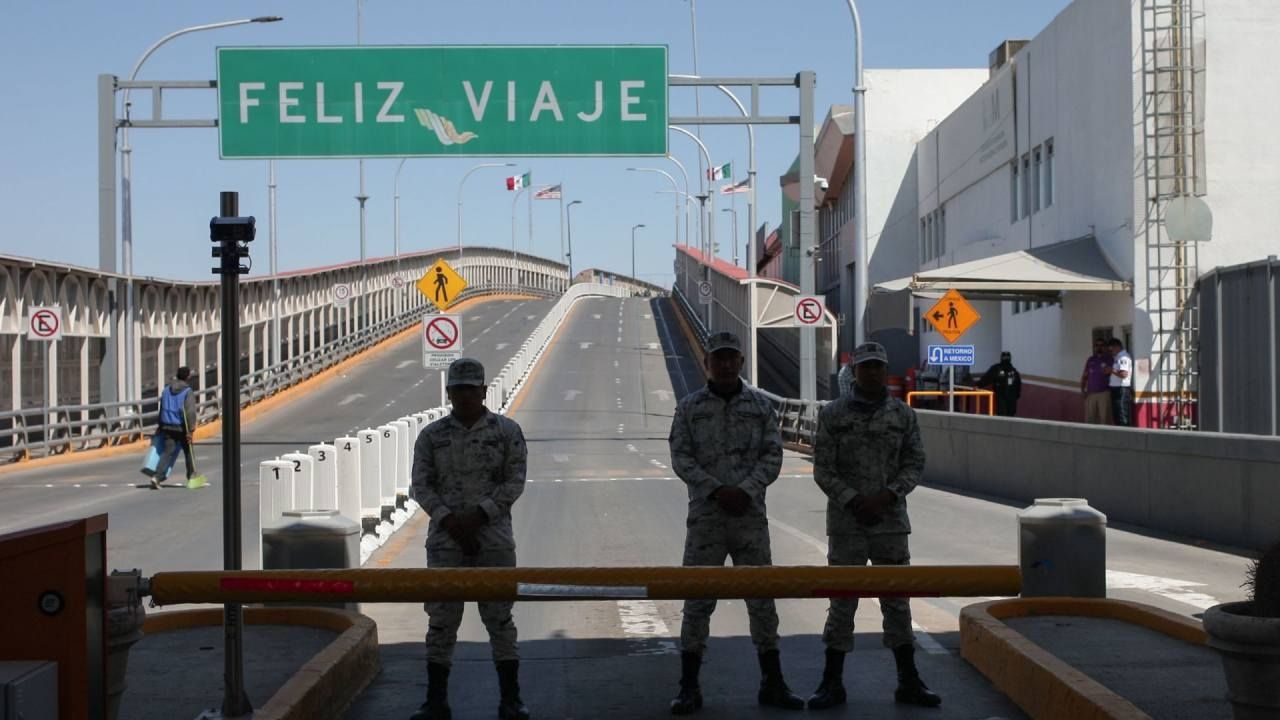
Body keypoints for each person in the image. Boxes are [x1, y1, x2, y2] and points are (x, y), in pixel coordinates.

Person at [667, 331, 805, 715]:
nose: (725, 364)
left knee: (762, 601)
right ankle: (689, 686)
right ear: (707, 362)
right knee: (697, 603)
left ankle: (773, 683)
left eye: (731, 357)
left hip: (749, 518)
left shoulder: (760, 407)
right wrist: (715, 490)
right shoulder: (690, 408)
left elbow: (772, 456)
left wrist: (746, 489)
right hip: (706, 520)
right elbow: (681, 457)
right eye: (718, 357)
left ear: (741, 362)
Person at [808, 341, 941, 711]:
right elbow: (823, 469)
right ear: (855, 371)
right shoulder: (833, 415)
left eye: (878, 367)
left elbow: (915, 462)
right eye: (865, 366)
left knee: (897, 603)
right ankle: (831, 682)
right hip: (847, 524)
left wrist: (887, 496)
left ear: (885, 371)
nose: (872, 373)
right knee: (842, 604)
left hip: (891, 522)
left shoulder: (903, 414)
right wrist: (853, 499)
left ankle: (908, 681)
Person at [409, 358, 530, 720]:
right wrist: (449, 521)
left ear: (484, 390)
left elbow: (515, 481)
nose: (464, 396)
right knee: (441, 623)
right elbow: (421, 485)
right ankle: (435, 702)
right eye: (458, 390)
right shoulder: (431, 436)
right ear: (448, 393)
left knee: (500, 621)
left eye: (471, 389)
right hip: (446, 543)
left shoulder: (507, 432)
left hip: (492, 540)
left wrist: (480, 515)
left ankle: (511, 700)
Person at [148, 366, 197, 489]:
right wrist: (190, 430)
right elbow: (190, 412)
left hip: (167, 426)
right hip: (181, 426)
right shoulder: (187, 391)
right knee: (188, 452)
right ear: (188, 377)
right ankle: (192, 477)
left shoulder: (166, 390)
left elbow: (162, 409)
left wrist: (160, 425)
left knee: (167, 452)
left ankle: (157, 477)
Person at [977, 351, 1023, 417]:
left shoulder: (1012, 371)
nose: (1006, 359)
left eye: (1007, 357)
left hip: (1009, 400)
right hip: (1004, 399)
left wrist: (978, 385)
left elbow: (1018, 385)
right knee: (1005, 415)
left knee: (1007, 416)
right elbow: (987, 378)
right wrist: (978, 385)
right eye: (1005, 357)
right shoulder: (999, 369)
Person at [1080, 339, 1113, 424]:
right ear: (1094, 347)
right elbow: (1085, 376)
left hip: (1104, 393)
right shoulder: (1090, 360)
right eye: (1097, 345)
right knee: (1090, 419)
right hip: (1091, 394)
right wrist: (1082, 390)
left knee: (1104, 419)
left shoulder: (1109, 359)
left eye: (1101, 345)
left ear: (1105, 347)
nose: (1099, 347)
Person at [1106, 338, 1133, 426]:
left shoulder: (1123, 357)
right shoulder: (1118, 357)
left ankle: (1125, 435)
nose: (1111, 352)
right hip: (1116, 389)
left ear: (1116, 347)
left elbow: (1124, 374)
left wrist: (1111, 370)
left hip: (1121, 390)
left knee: (1122, 415)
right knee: (1117, 414)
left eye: (1111, 350)